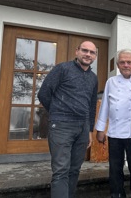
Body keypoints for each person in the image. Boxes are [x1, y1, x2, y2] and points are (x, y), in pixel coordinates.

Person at [37, 41, 98, 198]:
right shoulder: (62, 69)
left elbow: (91, 106)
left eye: (92, 52)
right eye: (84, 50)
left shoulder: (93, 78)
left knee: (74, 169)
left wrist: (89, 130)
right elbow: (43, 93)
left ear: (95, 56)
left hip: (82, 128)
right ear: (77, 51)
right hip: (62, 126)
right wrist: (58, 112)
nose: (88, 54)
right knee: (61, 170)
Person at [95, 49, 131, 198]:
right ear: (118, 65)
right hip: (115, 132)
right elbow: (105, 106)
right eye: (122, 62)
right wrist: (100, 129)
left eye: (129, 62)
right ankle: (116, 195)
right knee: (115, 169)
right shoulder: (111, 82)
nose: (126, 65)